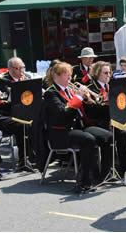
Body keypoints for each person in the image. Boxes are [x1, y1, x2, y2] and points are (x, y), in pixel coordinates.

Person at [44, 62, 114, 193]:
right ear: (57, 76)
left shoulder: (70, 90)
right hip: (62, 132)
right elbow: (63, 114)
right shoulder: (51, 93)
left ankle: (103, 175)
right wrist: (78, 97)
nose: (71, 79)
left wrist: (88, 100)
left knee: (108, 137)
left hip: (79, 127)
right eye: (67, 75)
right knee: (88, 140)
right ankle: (85, 181)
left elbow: (86, 112)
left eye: (70, 75)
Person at [84, 61, 126, 183]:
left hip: (119, 118)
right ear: (97, 73)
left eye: (109, 73)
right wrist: (108, 104)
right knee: (123, 134)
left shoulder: (113, 85)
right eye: (105, 73)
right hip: (104, 121)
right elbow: (92, 111)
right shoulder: (91, 88)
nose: (108, 75)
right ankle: (123, 170)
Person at [0, 57, 35, 171]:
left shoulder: (26, 77)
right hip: (9, 113)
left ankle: (36, 155)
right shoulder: (3, 81)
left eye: (23, 68)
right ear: (10, 69)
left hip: (25, 110)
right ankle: (24, 159)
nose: (21, 71)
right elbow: (6, 100)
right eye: (18, 68)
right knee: (23, 125)